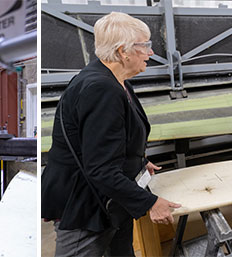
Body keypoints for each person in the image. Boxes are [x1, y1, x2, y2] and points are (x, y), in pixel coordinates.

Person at [41, 12, 180, 256]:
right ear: (122, 51)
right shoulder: (101, 89)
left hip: (111, 199)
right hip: (86, 208)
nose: (150, 52)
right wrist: (150, 203)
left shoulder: (117, 81)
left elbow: (103, 142)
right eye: (145, 45)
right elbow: (100, 169)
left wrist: (138, 161)